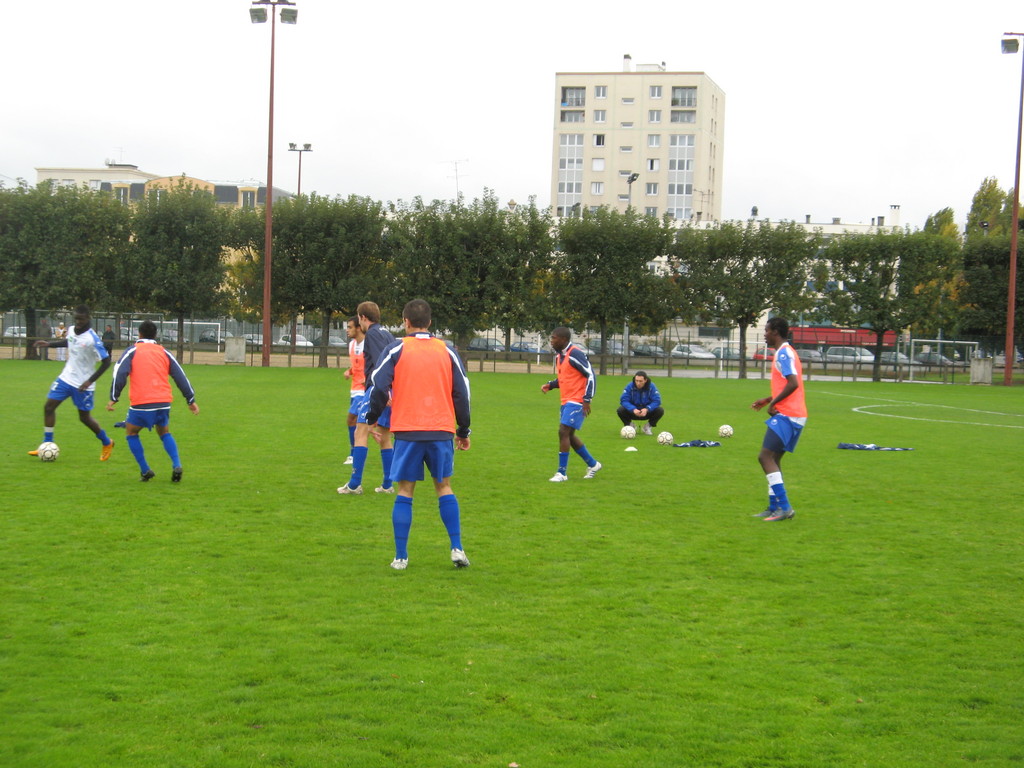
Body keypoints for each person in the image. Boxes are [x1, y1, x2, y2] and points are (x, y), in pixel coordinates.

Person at [365, 299, 471, 570]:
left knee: (405, 490)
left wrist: (372, 418)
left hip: (408, 431)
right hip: (440, 430)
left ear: (406, 322)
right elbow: (462, 392)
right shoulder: (447, 351)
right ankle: (457, 548)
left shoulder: (396, 348)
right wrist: (463, 430)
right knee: (444, 487)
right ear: (430, 323)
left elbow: (378, 386)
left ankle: (401, 557)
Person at [106, 320, 198, 482]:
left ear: (139, 334)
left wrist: (114, 397)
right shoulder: (164, 352)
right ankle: (176, 464)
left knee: (131, 432)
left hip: (142, 402)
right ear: (155, 335)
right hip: (163, 402)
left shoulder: (132, 351)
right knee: (164, 432)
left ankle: (145, 470)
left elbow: (120, 372)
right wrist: (190, 399)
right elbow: (180, 375)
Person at [28, 305, 115, 460]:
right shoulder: (72, 329)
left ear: (88, 318)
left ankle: (107, 442)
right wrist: (49, 344)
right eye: (76, 318)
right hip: (66, 378)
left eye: (81, 319)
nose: (78, 322)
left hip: (83, 385)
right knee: (48, 407)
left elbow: (107, 362)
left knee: (84, 418)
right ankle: (47, 444)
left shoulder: (92, 339)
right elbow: (68, 341)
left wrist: (90, 381)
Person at [337, 301, 397, 495]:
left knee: (360, 432)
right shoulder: (387, 334)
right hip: (390, 390)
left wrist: (384, 390)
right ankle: (387, 485)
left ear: (363, 317)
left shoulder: (371, 334)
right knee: (384, 436)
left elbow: (382, 364)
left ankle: (355, 484)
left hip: (377, 390)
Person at [751, 316, 806, 522]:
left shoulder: (784, 353)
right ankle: (774, 506)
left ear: (775, 332)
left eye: (766, 330)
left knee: (764, 457)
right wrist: (768, 399)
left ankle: (785, 507)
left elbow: (793, 383)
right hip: (792, 413)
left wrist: (774, 404)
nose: (764, 334)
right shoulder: (785, 352)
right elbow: (787, 385)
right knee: (774, 458)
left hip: (788, 414)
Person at [540, 327, 601, 482]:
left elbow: (591, 375)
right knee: (569, 435)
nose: (551, 341)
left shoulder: (575, 353)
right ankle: (593, 464)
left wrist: (587, 399)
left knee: (563, 431)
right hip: (566, 400)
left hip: (577, 400)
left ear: (564, 340)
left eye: (554, 338)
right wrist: (551, 385)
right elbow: (566, 378)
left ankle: (562, 473)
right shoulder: (560, 356)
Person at [342, 316, 366, 466]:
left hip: (364, 390)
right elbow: (357, 365)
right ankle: (355, 453)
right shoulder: (351, 345)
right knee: (356, 423)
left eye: (350, 327)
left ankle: (353, 454)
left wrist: (368, 378)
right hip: (354, 389)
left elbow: (375, 364)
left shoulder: (369, 345)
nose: (347, 330)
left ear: (358, 328)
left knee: (352, 420)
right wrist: (349, 371)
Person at [617, 371, 665, 435]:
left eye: (640, 381)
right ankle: (631, 426)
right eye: (636, 381)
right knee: (620, 410)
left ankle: (647, 427)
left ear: (645, 380)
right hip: (633, 412)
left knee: (660, 410)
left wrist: (647, 409)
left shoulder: (651, 387)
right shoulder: (630, 386)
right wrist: (633, 409)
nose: (638, 383)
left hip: (646, 412)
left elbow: (657, 401)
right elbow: (624, 400)